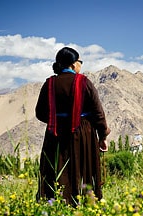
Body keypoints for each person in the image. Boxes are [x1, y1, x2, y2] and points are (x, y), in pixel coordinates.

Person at [35, 47, 111, 205]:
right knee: (83, 168)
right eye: (80, 61)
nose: (80, 65)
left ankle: (54, 203)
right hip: (82, 133)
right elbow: (98, 113)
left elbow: (40, 113)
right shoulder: (84, 82)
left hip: (54, 134)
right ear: (73, 64)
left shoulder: (49, 84)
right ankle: (85, 203)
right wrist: (102, 136)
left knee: (56, 168)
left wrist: (57, 120)